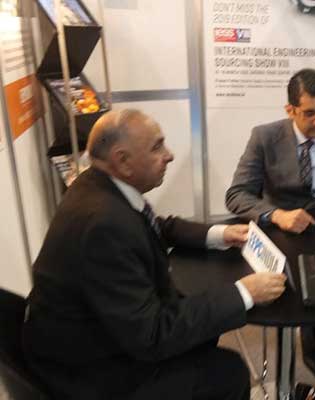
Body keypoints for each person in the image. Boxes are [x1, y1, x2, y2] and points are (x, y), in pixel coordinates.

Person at [22, 109, 287, 400]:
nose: (169, 155)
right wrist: (244, 293)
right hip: (90, 371)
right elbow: (152, 335)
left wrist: (218, 234)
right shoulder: (103, 225)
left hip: (96, 336)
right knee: (229, 371)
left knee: (204, 324)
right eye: (157, 147)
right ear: (123, 161)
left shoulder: (96, 186)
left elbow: (154, 225)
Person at [226, 68, 315, 378]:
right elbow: (237, 195)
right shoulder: (265, 137)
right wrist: (277, 215)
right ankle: (310, 337)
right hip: (281, 228)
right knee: (298, 287)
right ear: (290, 110)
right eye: (310, 113)